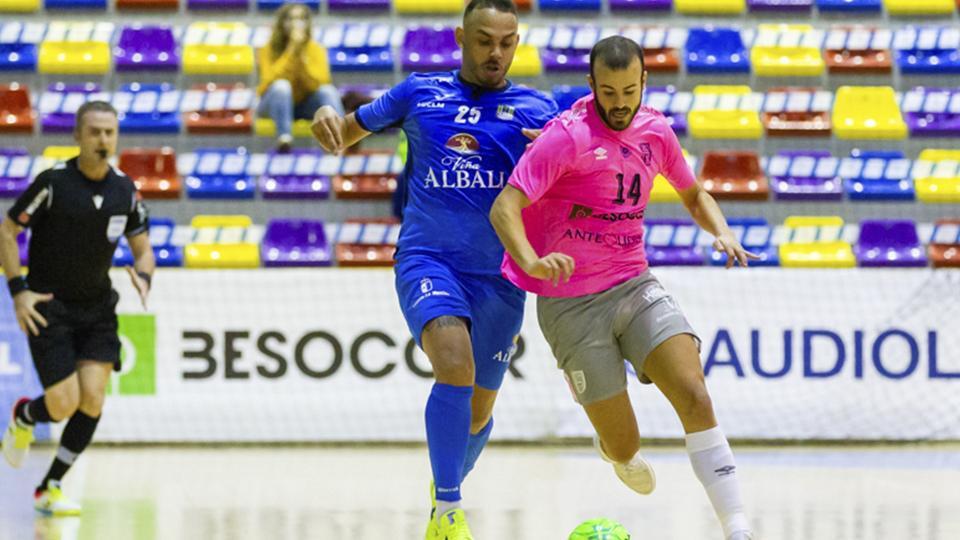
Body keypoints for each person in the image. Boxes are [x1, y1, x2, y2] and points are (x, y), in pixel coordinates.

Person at [489, 36, 756, 540]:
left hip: (634, 284)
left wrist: (720, 229)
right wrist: (533, 261)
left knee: (695, 394)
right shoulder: (564, 137)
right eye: (608, 92)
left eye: (628, 90)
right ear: (591, 86)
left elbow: (693, 192)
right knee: (623, 444)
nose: (619, 102)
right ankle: (610, 439)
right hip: (570, 306)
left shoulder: (656, 131)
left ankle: (738, 528)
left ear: (644, 84)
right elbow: (504, 207)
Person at [311, 1, 556, 538]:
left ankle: (446, 480)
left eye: (507, 42)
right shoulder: (419, 91)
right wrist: (327, 122)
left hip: (500, 276)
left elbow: (575, 177)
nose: (496, 53)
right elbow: (342, 134)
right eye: (485, 40)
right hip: (429, 259)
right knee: (454, 367)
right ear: (461, 38)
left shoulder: (540, 110)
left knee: (477, 411)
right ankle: (448, 509)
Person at [0, 101, 153, 516]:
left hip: (98, 308)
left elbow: (143, 248)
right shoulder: (52, 183)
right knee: (64, 403)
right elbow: (8, 231)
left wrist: (145, 273)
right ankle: (26, 414)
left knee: (93, 400)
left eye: (110, 132)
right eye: (95, 132)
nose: (104, 140)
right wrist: (18, 290)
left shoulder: (125, 189)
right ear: (78, 137)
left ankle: (49, 486)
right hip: (50, 307)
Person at [257, 2, 343, 153]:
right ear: (282, 23)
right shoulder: (268, 48)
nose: (296, 24)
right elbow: (268, 83)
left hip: (305, 105)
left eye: (301, 19)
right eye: (290, 19)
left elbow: (320, 82)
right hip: (273, 105)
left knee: (328, 91)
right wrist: (292, 51)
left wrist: (301, 58)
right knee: (281, 87)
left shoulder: (316, 49)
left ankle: (341, 139)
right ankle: (284, 139)